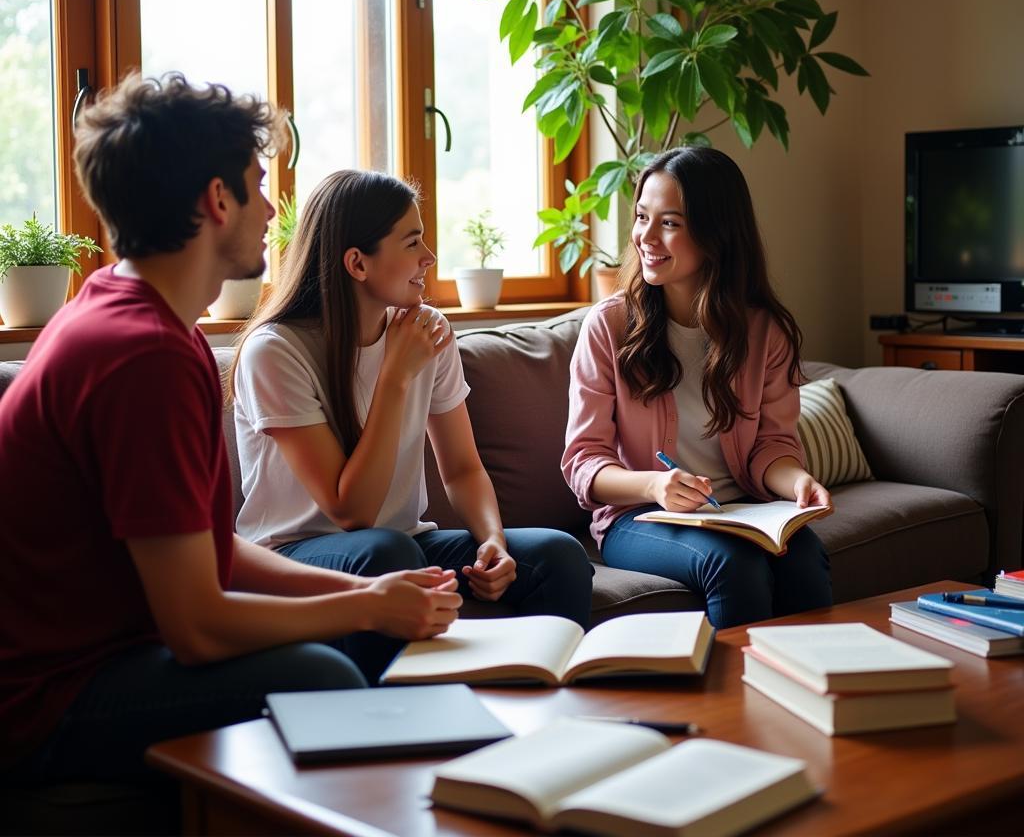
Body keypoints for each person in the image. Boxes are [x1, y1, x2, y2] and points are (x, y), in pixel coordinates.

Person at [0, 74, 462, 784]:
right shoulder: (140, 354)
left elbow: (218, 554)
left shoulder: (152, 323)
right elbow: (199, 625)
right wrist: (365, 608)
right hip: (53, 698)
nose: (274, 206)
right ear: (218, 200)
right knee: (322, 676)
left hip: (112, 656)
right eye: (258, 181)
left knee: (342, 642)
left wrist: (367, 599)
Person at [228, 168, 593, 680]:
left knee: (557, 554)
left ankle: (543, 716)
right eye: (413, 242)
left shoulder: (429, 331)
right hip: (299, 555)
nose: (429, 259)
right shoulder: (277, 352)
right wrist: (395, 377)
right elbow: (351, 510)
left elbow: (463, 469)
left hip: (402, 545)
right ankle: (400, 728)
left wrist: (493, 540)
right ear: (357, 262)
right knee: (388, 551)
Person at [562, 146, 832, 630]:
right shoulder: (609, 326)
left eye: (670, 223)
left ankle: (810, 691)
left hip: (742, 509)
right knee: (733, 564)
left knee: (804, 556)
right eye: (642, 217)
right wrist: (655, 485)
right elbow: (583, 462)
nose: (645, 236)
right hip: (639, 518)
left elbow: (773, 444)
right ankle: (737, 704)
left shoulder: (763, 331)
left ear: (716, 234)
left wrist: (798, 483)